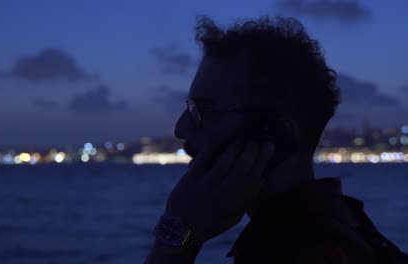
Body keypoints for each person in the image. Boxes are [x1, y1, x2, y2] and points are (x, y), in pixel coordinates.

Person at [144, 16, 408, 264]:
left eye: (205, 111)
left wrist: (177, 242)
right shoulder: (348, 222)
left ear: (275, 134)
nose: (181, 129)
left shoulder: (294, 253)